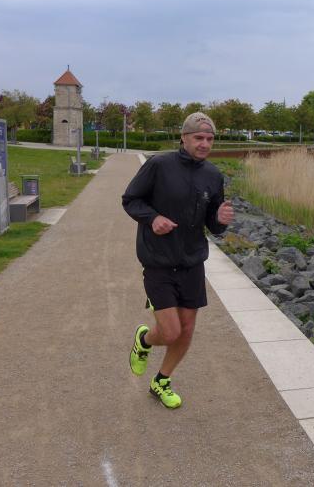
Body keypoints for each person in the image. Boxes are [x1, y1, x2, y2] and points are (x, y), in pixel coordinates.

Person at [122, 112, 234, 409]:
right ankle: (144, 340)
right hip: (158, 259)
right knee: (170, 332)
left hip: (192, 262)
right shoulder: (159, 165)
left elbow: (213, 224)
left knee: (186, 330)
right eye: (199, 138)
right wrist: (153, 218)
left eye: (209, 139)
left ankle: (161, 381)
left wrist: (221, 220)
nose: (204, 144)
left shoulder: (213, 175)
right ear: (183, 138)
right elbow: (131, 199)